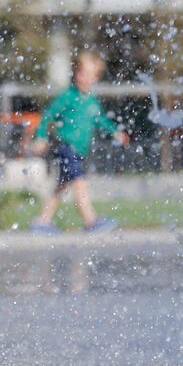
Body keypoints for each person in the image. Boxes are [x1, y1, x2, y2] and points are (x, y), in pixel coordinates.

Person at [31, 51, 121, 234]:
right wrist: (40, 136)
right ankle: (91, 221)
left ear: (96, 77)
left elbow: (100, 120)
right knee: (79, 182)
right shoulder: (68, 96)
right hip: (66, 147)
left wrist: (115, 132)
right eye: (82, 73)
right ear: (75, 73)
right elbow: (47, 115)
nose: (86, 78)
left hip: (78, 150)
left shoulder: (91, 102)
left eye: (91, 75)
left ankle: (42, 221)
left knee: (62, 185)